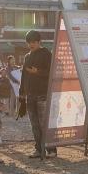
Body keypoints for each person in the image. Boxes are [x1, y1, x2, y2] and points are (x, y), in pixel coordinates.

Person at [20, 30, 56, 158]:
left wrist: (38, 72)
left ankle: (51, 149)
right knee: (34, 124)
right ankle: (39, 149)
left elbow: (52, 72)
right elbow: (23, 76)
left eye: (34, 42)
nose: (31, 45)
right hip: (30, 95)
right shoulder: (27, 56)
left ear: (39, 42)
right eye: (29, 42)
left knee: (44, 122)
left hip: (42, 94)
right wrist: (21, 94)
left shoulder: (46, 54)